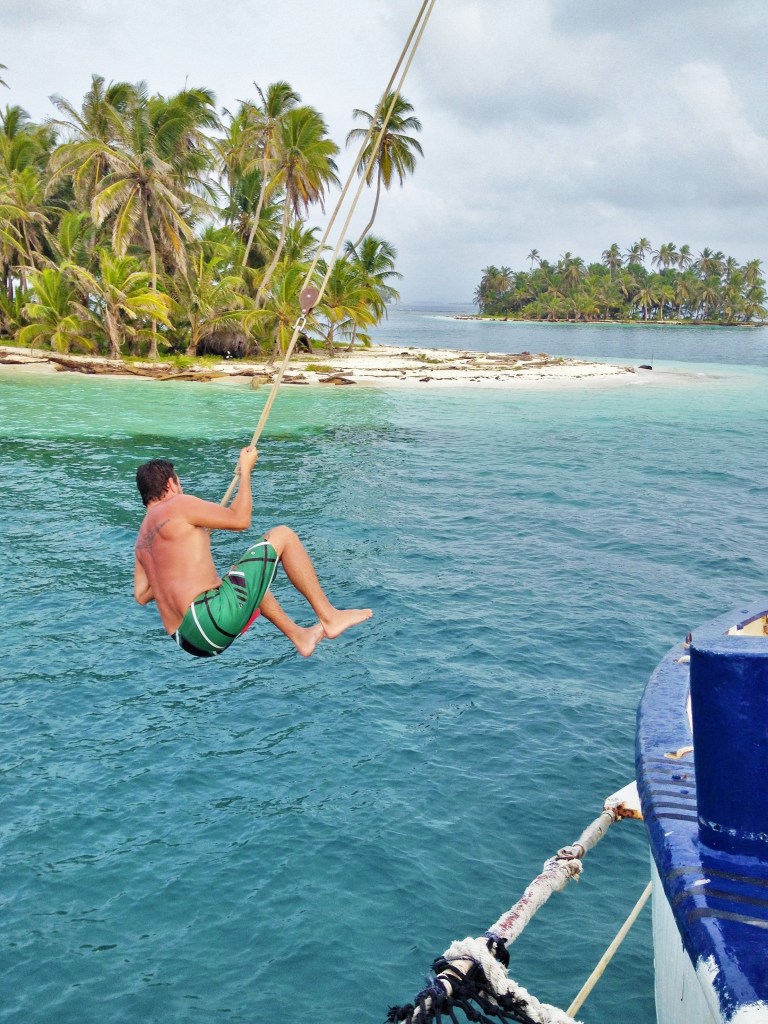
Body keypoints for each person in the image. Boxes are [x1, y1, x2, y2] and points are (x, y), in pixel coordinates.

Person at [133, 448, 372, 658]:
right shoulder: (178, 504)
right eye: (179, 482)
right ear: (170, 484)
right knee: (283, 535)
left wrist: (176, 559)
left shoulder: (142, 539)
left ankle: (300, 636)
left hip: (187, 640)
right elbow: (240, 519)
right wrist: (246, 471)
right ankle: (330, 616)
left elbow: (142, 595)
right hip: (209, 621)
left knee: (245, 575)